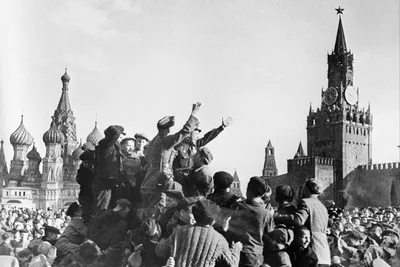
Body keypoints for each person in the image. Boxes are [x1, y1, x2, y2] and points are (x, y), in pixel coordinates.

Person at [141, 102, 201, 207]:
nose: (170, 131)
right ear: (166, 129)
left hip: (148, 183)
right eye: (169, 128)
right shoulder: (165, 141)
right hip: (160, 182)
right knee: (182, 199)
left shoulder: (153, 142)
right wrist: (194, 113)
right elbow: (184, 131)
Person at [156, 199, 243, 267]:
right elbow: (231, 264)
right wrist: (236, 249)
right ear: (213, 220)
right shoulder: (219, 239)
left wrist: (162, 240)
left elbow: (161, 252)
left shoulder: (179, 231)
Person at [228, 176, 275, 267]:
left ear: (248, 191)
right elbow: (270, 236)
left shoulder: (236, 207)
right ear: (262, 195)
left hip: (236, 252)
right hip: (255, 257)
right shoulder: (266, 213)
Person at [293, 178, 331, 266]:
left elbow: (298, 220)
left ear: (306, 189)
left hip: (311, 253)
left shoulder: (305, 202)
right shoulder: (322, 206)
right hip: (324, 253)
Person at [93, 125, 126, 211]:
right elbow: (115, 132)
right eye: (119, 137)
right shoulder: (107, 145)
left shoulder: (115, 147)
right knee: (103, 209)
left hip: (112, 182)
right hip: (105, 183)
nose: (120, 139)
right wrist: (116, 129)